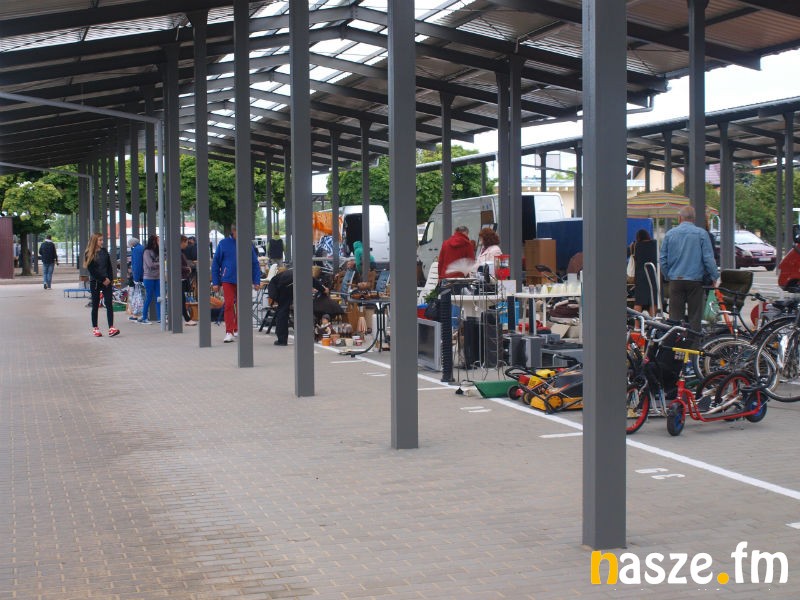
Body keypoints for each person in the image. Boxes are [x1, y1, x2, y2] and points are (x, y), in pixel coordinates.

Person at [660, 206, 719, 332]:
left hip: (676, 280)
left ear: (679, 218)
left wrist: (668, 276)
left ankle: (675, 342)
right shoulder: (701, 234)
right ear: (693, 218)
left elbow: (663, 259)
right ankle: (693, 343)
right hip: (695, 281)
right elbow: (708, 259)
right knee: (695, 318)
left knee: (675, 319)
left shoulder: (670, 234)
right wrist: (714, 276)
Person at [211, 225, 261, 343]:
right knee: (228, 304)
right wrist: (216, 282)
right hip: (227, 279)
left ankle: (238, 328)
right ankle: (229, 331)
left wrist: (256, 281)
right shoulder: (223, 243)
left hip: (244, 279)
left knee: (241, 305)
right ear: (233, 231)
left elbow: (255, 263)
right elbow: (216, 263)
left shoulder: (248, 244)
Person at [267, 267, 327, 346]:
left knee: (282, 312)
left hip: (285, 286)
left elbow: (312, 281)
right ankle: (302, 337)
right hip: (286, 286)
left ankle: (282, 340)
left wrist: (279, 302)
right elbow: (312, 281)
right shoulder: (299, 272)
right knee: (285, 312)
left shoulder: (285, 276)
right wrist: (323, 289)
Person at [84, 233, 119, 337]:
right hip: (95, 282)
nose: (102, 242)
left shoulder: (104, 251)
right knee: (95, 305)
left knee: (109, 303)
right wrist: (103, 279)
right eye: (100, 240)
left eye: (102, 240)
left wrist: (109, 279)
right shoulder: (89, 253)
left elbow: (109, 267)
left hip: (107, 282)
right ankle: (95, 328)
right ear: (95, 241)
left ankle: (111, 328)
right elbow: (92, 270)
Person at [629, 229, 659, 316]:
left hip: (640, 276)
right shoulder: (654, 244)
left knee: (639, 302)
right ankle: (653, 322)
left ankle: (637, 323)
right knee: (653, 301)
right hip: (653, 275)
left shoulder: (635, 245)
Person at [139, 234, 161, 325]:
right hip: (148, 277)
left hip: (157, 277)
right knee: (148, 297)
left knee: (159, 298)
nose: (160, 242)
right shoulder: (146, 252)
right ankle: (144, 317)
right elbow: (150, 264)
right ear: (154, 241)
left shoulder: (158, 251)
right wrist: (160, 264)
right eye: (158, 240)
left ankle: (160, 318)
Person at [180, 235, 197, 326]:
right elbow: (179, 266)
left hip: (181, 278)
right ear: (182, 242)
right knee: (182, 299)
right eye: (186, 242)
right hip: (181, 278)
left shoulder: (180, 252)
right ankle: (187, 318)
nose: (187, 244)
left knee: (181, 299)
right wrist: (187, 268)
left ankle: (185, 318)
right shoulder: (179, 253)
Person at [127, 237, 144, 322]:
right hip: (144, 275)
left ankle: (137, 315)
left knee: (138, 297)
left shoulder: (136, 250)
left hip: (140, 277)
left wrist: (136, 278)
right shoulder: (142, 248)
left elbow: (137, 265)